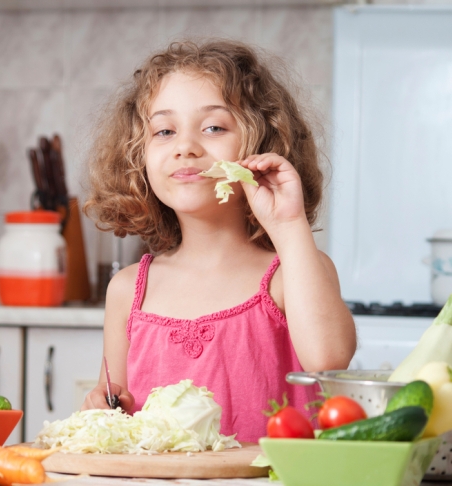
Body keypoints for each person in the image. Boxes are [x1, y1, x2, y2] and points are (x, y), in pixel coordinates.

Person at [81, 39, 356, 442]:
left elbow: (329, 360)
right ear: (138, 158)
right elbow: (114, 414)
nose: (186, 147)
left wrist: (289, 224)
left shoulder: (291, 272)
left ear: (262, 145)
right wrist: (100, 408)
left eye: (213, 127)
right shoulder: (127, 291)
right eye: (164, 131)